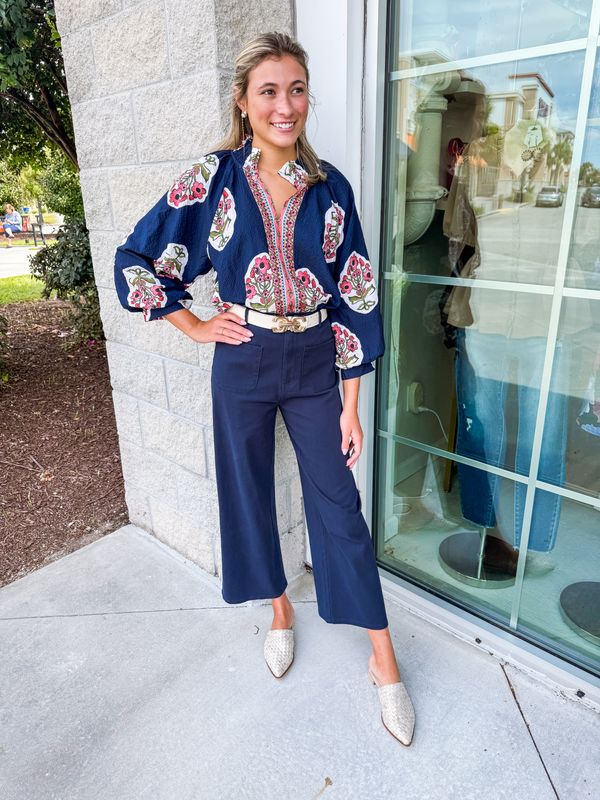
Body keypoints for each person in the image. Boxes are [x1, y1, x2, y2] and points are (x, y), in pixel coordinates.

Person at [114, 32, 415, 746]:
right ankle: (280, 609)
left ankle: (383, 659)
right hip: (242, 359)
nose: (286, 106)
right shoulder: (214, 177)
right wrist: (194, 325)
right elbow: (138, 257)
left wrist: (351, 406)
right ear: (244, 102)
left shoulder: (331, 188)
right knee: (245, 492)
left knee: (339, 506)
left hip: (314, 363)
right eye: (270, 92)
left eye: (297, 89)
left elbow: (356, 295)